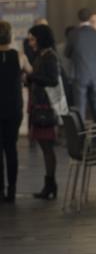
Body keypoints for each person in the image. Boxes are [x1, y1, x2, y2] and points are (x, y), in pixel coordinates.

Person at [26, 24, 61, 200]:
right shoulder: (42, 55)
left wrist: (32, 76)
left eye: (32, 38)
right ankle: (49, 184)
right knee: (45, 147)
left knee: (47, 148)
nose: (30, 42)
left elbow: (53, 80)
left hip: (45, 107)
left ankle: (50, 184)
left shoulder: (49, 57)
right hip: (39, 105)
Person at [0, 21, 31, 202]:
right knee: (11, 148)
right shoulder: (19, 56)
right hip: (13, 107)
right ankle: (12, 190)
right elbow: (31, 72)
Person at [64, 8, 96, 122]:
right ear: (90, 18)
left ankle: (80, 138)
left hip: (80, 73)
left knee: (80, 107)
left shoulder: (73, 34)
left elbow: (67, 53)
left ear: (78, 18)